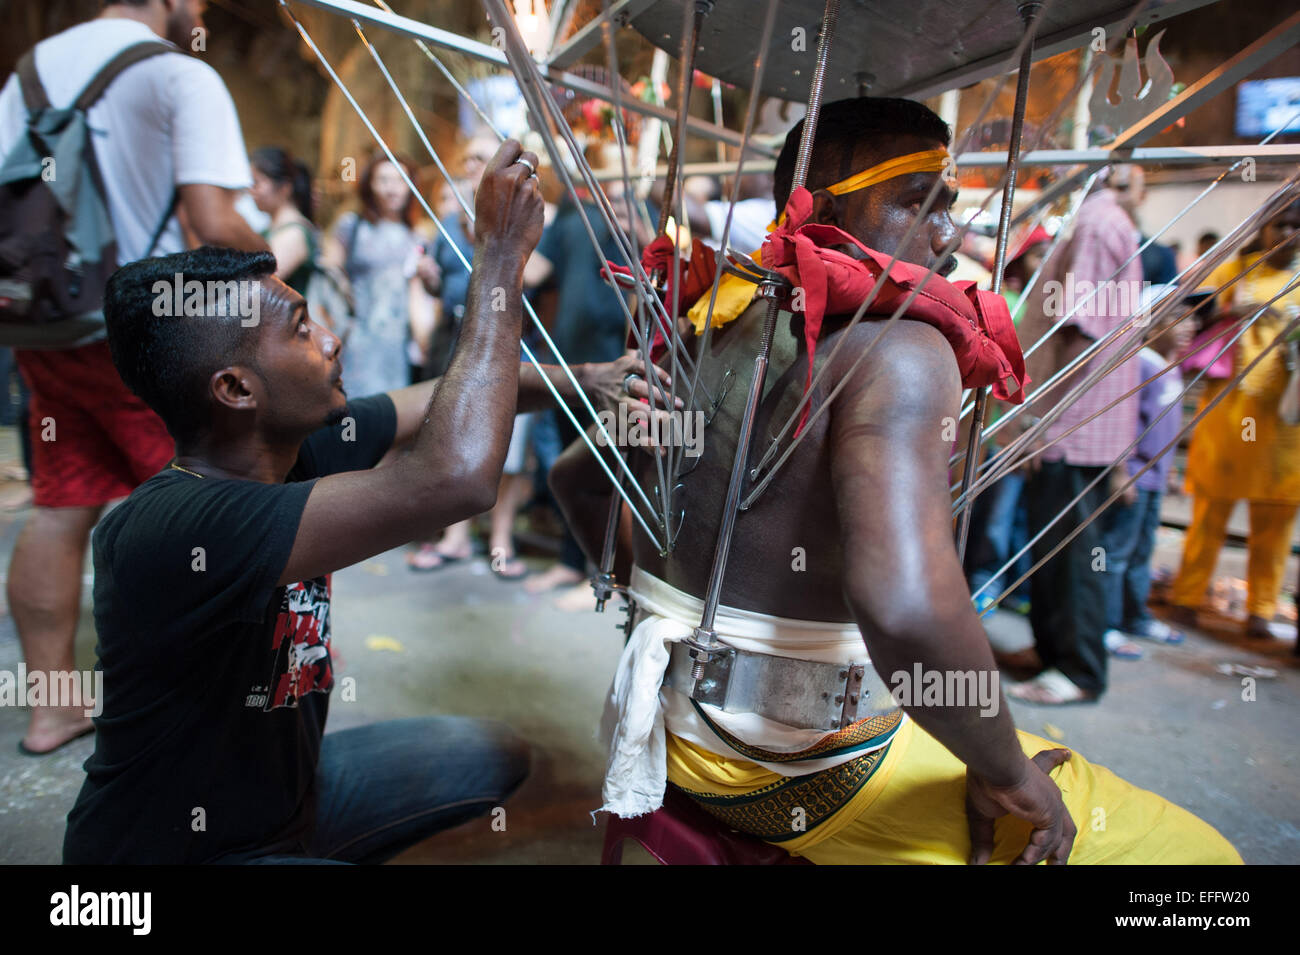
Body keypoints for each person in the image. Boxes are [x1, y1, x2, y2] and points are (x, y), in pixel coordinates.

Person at [552, 97, 1239, 864]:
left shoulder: (715, 316)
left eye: (951, 205)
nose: (949, 235)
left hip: (667, 729)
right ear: (823, 201)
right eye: (919, 202)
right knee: (1201, 860)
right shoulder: (901, 346)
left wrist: (647, 607)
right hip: (798, 765)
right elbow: (905, 605)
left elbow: (576, 478)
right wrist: (1005, 773)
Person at [62, 142, 661, 863]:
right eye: (301, 331)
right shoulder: (177, 528)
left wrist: (588, 376)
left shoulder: (290, 447)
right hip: (180, 855)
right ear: (235, 390)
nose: (332, 338)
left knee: (489, 753)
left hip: (292, 799)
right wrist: (498, 259)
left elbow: (436, 402)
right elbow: (457, 477)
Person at [0, 0, 268, 756]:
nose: (205, 10)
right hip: (146, 334)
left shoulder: (24, 77)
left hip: (47, 326)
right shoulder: (181, 76)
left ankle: (52, 707)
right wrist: (283, 284)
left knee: (61, 505)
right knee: (209, 514)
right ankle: (209, 707)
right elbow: (214, 222)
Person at [1007, 165, 1145, 704]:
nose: (1052, 177)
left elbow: (1080, 330)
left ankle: (1079, 669)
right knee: (1053, 548)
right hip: (1078, 422)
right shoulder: (1101, 221)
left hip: (1073, 424)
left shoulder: (1094, 222)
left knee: (1071, 552)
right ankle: (1051, 650)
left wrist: (1042, 422)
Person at [1168, 201, 1300, 640]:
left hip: (1284, 426)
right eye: (1278, 224)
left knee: (1275, 521)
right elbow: (1189, 316)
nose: (1285, 232)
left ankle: (1261, 609)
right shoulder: (1233, 272)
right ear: (1261, 228)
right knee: (1209, 513)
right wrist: (1231, 312)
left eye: (1294, 226)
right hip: (1227, 415)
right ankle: (1187, 597)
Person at [1099, 307, 1193, 653]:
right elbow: (1120, 418)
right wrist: (1121, 471)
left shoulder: (1171, 369)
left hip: (1155, 478)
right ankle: (1105, 626)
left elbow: (1163, 426)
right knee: (1115, 554)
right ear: (1152, 324)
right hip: (1135, 478)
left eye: (1192, 319)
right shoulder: (1141, 364)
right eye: (1176, 318)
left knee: (1141, 553)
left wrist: (1170, 473)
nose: (1188, 326)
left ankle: (1133, 617)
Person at [323, 153, 435, 398]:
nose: (391, 188)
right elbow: (327, 276)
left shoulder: (419, 236)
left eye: (399, 180)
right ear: (370, 185)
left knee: (389, 412)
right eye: (383, 180)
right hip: (353, 339)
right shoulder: (351, 225)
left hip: (396, 345)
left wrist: (425, 341)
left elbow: (419, 295)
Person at [249, 146, 318, 295]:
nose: (251, 190)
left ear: (284, 188)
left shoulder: (293, 233)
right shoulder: (271, 228)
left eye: (257, 183)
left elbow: (259, 285)